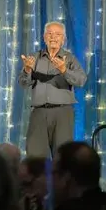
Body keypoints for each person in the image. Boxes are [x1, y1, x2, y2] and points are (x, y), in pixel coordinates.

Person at [18, 21, 87, 157]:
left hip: (63, 113)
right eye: (49, 33)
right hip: (39, 112)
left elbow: (81, 80)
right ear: (44, 37)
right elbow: (23, 83)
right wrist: (27, 69)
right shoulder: (34, 58)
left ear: (63, 39)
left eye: (57, 34)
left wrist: (64, 70)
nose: (53, 37)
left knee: (63, 156)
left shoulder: (70, 59)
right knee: (35, 156)